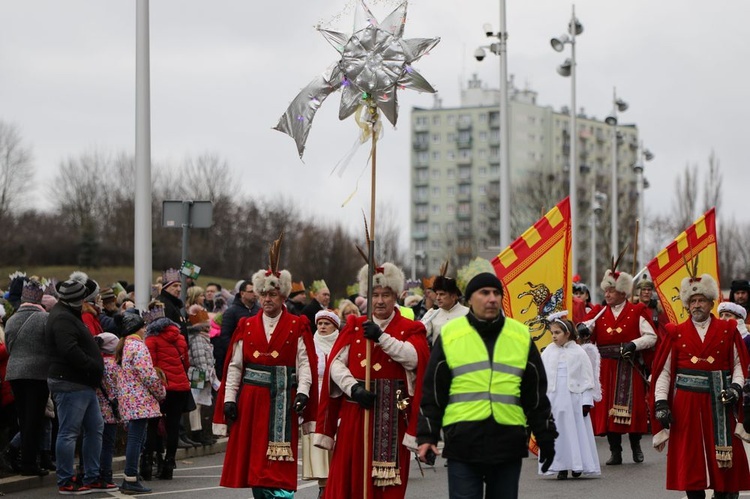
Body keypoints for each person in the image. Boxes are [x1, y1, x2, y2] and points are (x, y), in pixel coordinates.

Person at [416, 260, 557, 499]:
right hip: (463, 442)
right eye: (484, 293)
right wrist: (427, 436)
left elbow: (534, 392)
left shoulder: (520, 335)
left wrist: (545, 436)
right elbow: (434, 389)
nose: (491, 298)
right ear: (470, 299)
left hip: (508, 441)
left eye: (496, 293)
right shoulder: (451, 334)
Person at [315, 262, 430, 499]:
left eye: (385, 295)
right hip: (356, 414)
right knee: (351, 478)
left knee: (387, 487)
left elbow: (413, 359)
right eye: (375, 295)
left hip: (392, 417)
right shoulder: (356, 326)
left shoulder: (411, 328)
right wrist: (353, 387)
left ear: (395, 296)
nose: (379, 301)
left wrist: (381, 338)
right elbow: (335, 364)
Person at [213, 236, 317, 498]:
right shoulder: (246, 326)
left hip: (283, 398)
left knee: (279, 463)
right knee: (255, 461)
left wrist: (303, 391)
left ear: (282, 295)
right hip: (252, 400)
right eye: (263, 294)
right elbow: (235, 366)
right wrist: (229, 399)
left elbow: (304, 363)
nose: (267, 299)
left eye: (272, 294)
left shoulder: (297, 324)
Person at [651, 272, 750, 499]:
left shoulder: (728, 330)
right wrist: (661, 402)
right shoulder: (675, 333)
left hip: (720, 402)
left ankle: (724, 494)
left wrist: (735, 388)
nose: (697, 305)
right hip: (686, 405)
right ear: (687, 304)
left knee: (726, 465)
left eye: (702, 300)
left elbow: (738, 365)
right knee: (690, 460)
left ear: (711, 303)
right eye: (693, 301)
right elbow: (664, 372)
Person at [578, 266, 657, 465]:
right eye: (605, 291)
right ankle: (615, 451)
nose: (606, 294)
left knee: (633, 409)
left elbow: (651, 337)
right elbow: (586, 334)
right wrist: (583, 329)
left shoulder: (636, 310)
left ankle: (636, 446)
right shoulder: (599, 311)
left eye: (610, 291)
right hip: (606, 368)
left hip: (628, 365)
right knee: (609, 411)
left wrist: (634, 344)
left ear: (622, 292)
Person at [46, 275, 111, 494]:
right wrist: (92, 365)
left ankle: (91, 476)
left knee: (95, 428)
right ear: (76, 300)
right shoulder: (63, 318)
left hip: (81, 382)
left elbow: (74, 345)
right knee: (69, 432)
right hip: (71, 381)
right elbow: (68, 349)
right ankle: (65, 480)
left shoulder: (68, 315)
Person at [539, 312, 600, 480]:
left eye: (557, 333)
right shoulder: (548, 353)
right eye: (552, 333)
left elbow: (587, 379)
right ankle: (560, 466)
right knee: (557, 431)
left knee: (575, 431)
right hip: (555, 399)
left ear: (567, 334)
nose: (554, 337)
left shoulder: (578, 352)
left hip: (573, 399)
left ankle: (577, 464)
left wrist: (586, 401)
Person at [4, 279, 51, 476]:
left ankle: (23, 458)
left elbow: (8, 347)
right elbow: (50, 345)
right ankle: (29, 463)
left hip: (14, 373)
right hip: (37, 374)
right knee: (35, 419)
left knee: (23, 418)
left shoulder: (11, 320)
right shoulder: (45, 318)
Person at [115, 313, 165, 494]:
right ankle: (131, 477)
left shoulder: (124, 346)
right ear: (137, 329)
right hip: (140, 400)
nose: (145, 330)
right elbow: (149, 375)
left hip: (129, 400)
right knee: (136, 440)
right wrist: (161, 392)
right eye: (143, 327)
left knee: (136, 439)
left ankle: (131, 476)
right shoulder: (138, 347)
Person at [144, 301, 192, 480]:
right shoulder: (179, 336)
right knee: (173, 427)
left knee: (153, 425)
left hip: (161, 388)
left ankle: (149, 463)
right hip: (180, 387)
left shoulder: (151, 339)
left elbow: (151, 365)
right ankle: (169, 464)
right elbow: (186, 363)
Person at [302, 310, 340, 498]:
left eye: (327, 323)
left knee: (338, 441)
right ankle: (323, 486)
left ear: (335, 326)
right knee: (319, 443)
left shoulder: (341, 344)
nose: (322, 327)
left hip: (336, 396)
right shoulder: (311, 345)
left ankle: (338, 483)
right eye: (319, 324)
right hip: (315, 397)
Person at [213, 279, 259, 378]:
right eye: (251, 291)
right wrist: (235, 352)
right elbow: (225, 335)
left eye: (256, 291)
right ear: (242, 293)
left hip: (256, 356)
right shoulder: (231, 311)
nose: (254, 294)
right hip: (237, 357)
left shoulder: (259, 311)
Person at [93, 332, 121, 490]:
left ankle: (93, 473)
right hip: (110, 410)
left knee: (95, 442)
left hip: (95, 408)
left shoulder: (97, 363)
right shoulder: (114, 365)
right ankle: (106, 475)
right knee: (108, 445)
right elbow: (117, 389)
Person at [420, 265, 469, 346]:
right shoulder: (432, 314)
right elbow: (420, 333)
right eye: (437, 294)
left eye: (442, 294)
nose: (438, 298)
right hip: (439, 358)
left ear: (453, 296)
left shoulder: (467, 313)